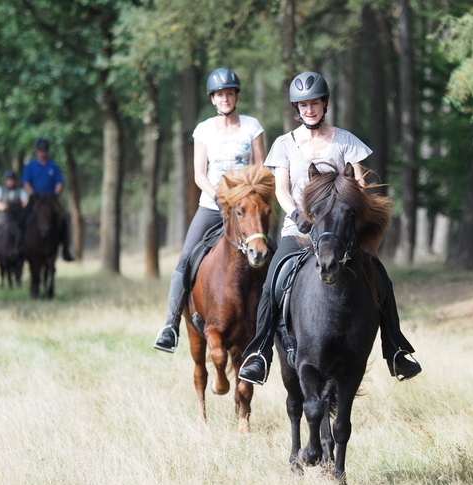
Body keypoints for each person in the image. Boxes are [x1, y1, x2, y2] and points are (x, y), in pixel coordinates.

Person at [238, 71, 421, 385]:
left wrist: (350, 215)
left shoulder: (345, 141)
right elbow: (281, 189)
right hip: (297, 231)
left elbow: (359, 184)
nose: (310, 109)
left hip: (338, 233)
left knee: (380, 278)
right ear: (297, 109)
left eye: (315, 103)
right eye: (304, 105)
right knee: (272, 282)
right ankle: (260, 353)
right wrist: (297, 214)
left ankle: (395, 350)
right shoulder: (284, 145)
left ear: (325, 104)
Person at [154, 68, 266, 353]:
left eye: (230, 93)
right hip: (212, 206)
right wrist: (218, 197)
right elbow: (199, 174)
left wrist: (249, 198)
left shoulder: (252, 126)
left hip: (247, 208)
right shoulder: (203, 130)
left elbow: (261, 168)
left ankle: (275, 327)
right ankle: (170, 326)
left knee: (272, 257)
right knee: (184, 262)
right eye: (220, 95)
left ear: (236, 96)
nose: (225, 98)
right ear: (213, 99)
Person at [21, 138, 74, 261]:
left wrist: (56, 193)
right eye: (40, 150)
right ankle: (20, 247)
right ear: (37, 151)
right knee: (22, 219)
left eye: (44, 150)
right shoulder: (30, 166)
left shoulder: (53, 166)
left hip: (50, 199)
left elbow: (59, 182)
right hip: (36, 199)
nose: (42, 152)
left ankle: (65, 249)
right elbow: (26, 182)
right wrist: (32, 194)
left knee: (63, 219)